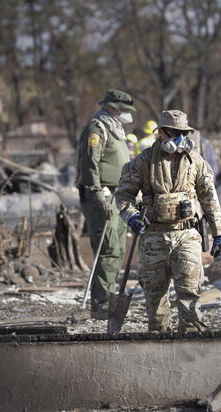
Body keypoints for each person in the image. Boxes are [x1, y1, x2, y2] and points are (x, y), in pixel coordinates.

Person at [114, 109, 221, 332]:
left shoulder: (196, 162)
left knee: (189, 295)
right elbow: (123, 196)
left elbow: (209, 199)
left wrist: (219, 233)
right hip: (154, 237)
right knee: (155, 298)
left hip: (187, 235)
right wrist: (132, 216)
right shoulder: (143, 162)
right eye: (175, 133)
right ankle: (158, 345)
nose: (181, 139)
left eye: (184, 133)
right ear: (162, 133)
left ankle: (192, 345)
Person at [76, 89, 135, 319]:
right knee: (107, 249)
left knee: (117, 250)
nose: (127, 115)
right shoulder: (97, 128)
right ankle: (101, 305)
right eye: (124, 110)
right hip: (102, 195)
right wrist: (98, 196)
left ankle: (109, 300)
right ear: (113, 108)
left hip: (118, 195)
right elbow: (90, 166)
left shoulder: (114, 129)